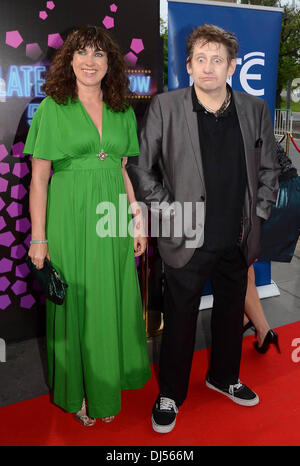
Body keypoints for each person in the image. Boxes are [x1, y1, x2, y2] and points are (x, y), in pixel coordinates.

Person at [127, 24, 280, 434]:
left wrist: (260, 213)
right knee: (179, 320)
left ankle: (224, 376)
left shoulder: (255, 110)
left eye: (218, 59)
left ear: (232, 66)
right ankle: (171, 394)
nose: (208, 67)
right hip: (185, 236)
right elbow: (142, 168)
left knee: (231, 315)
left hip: (238, 235)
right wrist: (168, 212)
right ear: (189, 64)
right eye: (200, 59)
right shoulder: (166, 107)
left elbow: (269, 169)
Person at [24, 25, 150, 426]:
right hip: (68, 219)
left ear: (109, 63)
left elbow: (123, 170)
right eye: (82, 53)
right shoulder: (51, 107)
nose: (90, 61)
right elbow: (39, 179)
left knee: (108, 301)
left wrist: (136, 220)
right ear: (70, 61)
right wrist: (39, 238)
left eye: (99, 54)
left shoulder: (122, 109)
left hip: (110, 218)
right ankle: (77, 391)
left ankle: (103, 387)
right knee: (77, 304)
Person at [243, 140, 299, 353]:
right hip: (292, 187)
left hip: (270, 196)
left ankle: (264, 328)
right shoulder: (254, 112)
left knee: (235, 264)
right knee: (245, 260)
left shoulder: (227, 117)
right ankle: (247, 318)